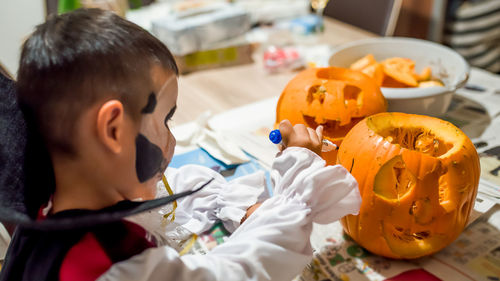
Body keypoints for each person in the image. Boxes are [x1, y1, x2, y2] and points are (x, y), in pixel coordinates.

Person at [0, 8, 361, 281]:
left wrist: (231, 202)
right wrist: (298, 174)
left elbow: (169, 191)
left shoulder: (48, 210)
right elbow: (240, 271)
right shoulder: (117, 266)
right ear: (112, 130)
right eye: (165, 121)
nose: (171, 140)